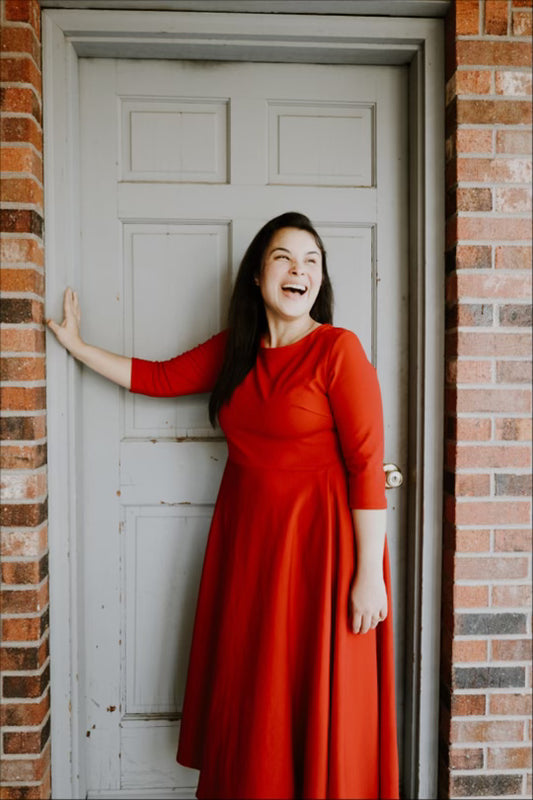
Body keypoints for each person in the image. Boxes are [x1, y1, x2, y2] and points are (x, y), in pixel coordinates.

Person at [47, 211, 399, 800]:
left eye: (312, 261)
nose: (299, 270)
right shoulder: (236, 353)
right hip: (249, 545)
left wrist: (369, 577)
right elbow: (156, 378)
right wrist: (77, 346)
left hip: (323, 553)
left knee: (319, 698)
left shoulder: (339, 352)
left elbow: (367, 468)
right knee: (255, 693)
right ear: (258, 276)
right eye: (284, 258)